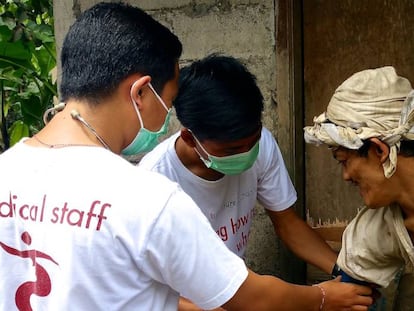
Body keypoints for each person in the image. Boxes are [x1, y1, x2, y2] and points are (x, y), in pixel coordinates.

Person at [0, 2, 373, 310]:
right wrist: (321, 297)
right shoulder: (147, 196)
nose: (167, 115)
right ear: (141, 93)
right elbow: (250, 298)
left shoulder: (6, 173)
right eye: (169, 99)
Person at [138, 54, 372, 310]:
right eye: (232, 149)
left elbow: (288, 223)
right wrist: (321, 298)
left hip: (238, 291)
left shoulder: (262, 146)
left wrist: (344, 273)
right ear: (190, 138)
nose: (246, 153)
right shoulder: (154, 182)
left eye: (253, 141)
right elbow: (154, 291)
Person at [304, 66, 414, 308]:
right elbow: (352, 296)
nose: (345, 176)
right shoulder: (373, 232)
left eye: (344, 162)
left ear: (379, 150)